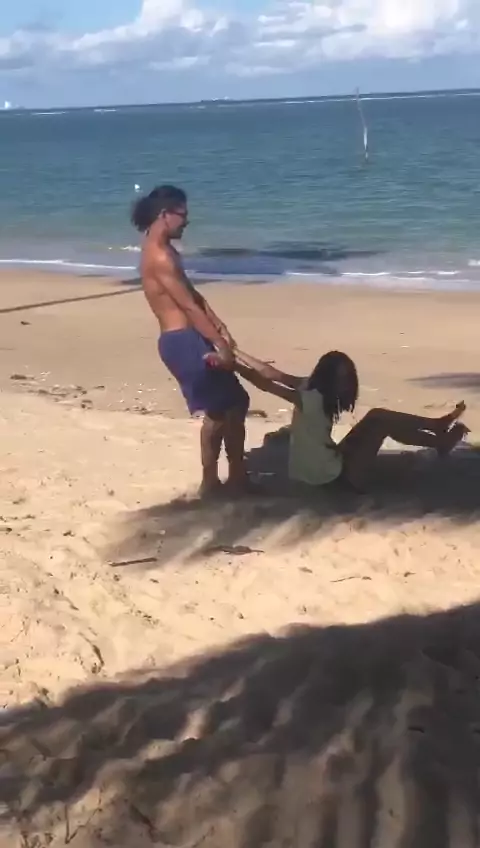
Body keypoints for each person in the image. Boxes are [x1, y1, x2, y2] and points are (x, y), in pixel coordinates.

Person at [131, 185, 250, 497]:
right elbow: (187, 307)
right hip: (182, 342)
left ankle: (231, 477)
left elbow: (193, 296)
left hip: (191, 336)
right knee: (224, 407)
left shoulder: (166, 250)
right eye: (183, 214)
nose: (187, 221)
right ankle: (217, 481)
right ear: (164, 214)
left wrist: (219, 325)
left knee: (231, 404)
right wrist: (219, 344)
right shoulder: (160, 256)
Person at [231, 348, 468, 492]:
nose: (344, 385)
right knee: (382, 423)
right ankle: (438, 434)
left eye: (346, 379)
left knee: (377, 415)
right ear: (327, 377)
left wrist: (235, 353)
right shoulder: (308, 397)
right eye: (340, 379)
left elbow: (271, 375)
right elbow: (267, 381)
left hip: (327, 466)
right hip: (331, 479)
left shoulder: (309, 388)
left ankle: (436, 429)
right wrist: (234, 363)